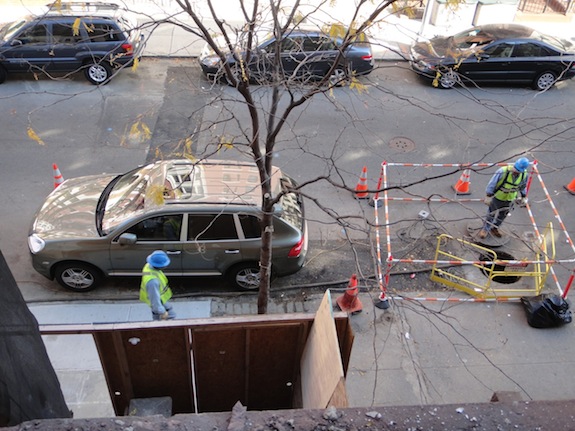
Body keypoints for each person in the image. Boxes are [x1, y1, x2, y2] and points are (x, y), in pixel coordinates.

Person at [479, 157, 530, 239]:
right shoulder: (502, 171)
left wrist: (524, 196)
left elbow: (523, 186)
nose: (516, 171)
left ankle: (495, 228)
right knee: (491, 214)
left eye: (518, 171)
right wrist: (488, 196)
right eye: (516, 169)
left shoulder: (524, 175)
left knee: (503, 215)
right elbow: (492, 184)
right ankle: (485, 229)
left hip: (509, 199)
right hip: (498, 197)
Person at [140, 250, 176, 320]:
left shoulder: (148, 266)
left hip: (161, 300)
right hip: (159, 304)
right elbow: (155, 301)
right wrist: (162, 312)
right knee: (168, 319)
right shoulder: (153, 281)